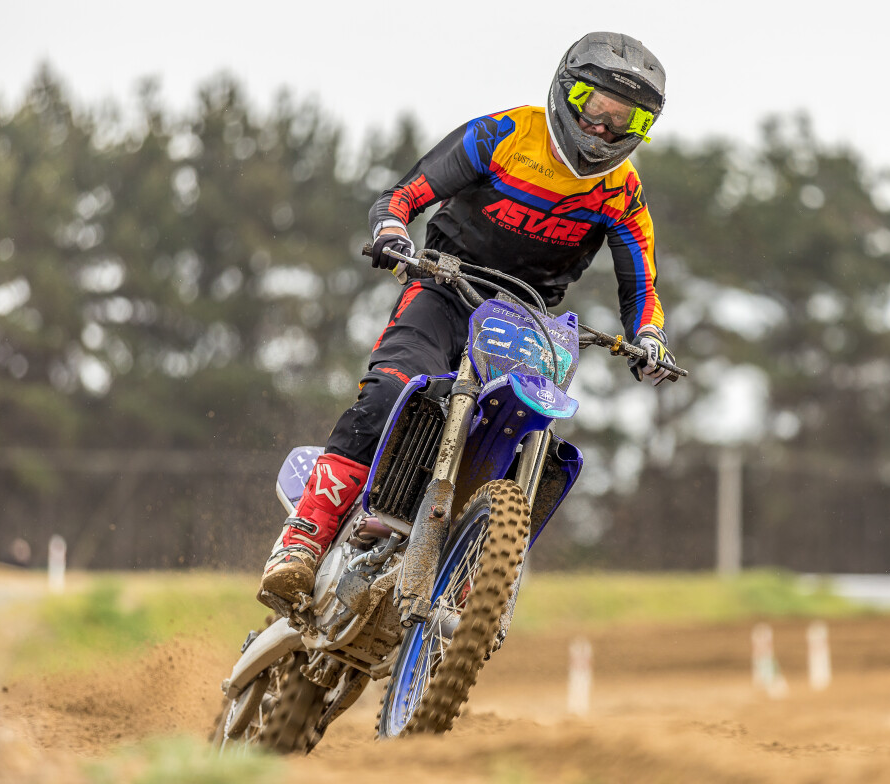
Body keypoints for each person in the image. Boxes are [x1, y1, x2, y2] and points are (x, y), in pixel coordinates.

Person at [258, 31, 677, 608]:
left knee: (530, 434)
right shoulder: (502, 135)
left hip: (526, 321)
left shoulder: (622, 192)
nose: (603, 130)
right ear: (566, 92)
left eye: (625, 120)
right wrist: (392, 232)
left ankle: (469, 576)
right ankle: (303, 537)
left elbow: (642, 288)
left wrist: (649, 337)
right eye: (594, 107)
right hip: (442, 288)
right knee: (390, 393)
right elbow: (401, 196)